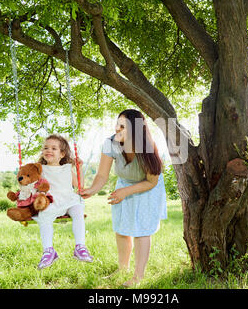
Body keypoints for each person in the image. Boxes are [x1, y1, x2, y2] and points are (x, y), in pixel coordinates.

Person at [80, 109, 167, 286]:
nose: (117, 129)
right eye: (117, 124)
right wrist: (92, 189)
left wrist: (125, 192)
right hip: (124, 183)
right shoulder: (110, 143)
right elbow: (102, 175)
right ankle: (122, 269)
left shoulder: (147, 149)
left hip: (146, 187)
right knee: (121, 230)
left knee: (141, 231)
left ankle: (138, 277)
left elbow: (151, 182)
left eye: (123, 126)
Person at [33, 134, 93, 269]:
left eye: (54, 148)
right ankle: (48, 251)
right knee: (44, 217)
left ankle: (80, 247)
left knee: (78, 210)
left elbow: (79, 185)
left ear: (62, 154)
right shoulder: (40, 169)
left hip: (69, 200)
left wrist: (79, 168)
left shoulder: (67, 168)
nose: (49, 150)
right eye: (46, 148)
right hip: (51, 201)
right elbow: (33, 185)